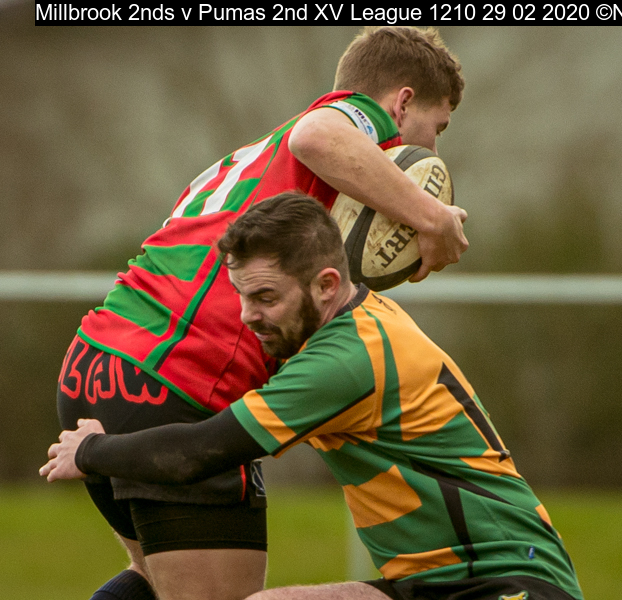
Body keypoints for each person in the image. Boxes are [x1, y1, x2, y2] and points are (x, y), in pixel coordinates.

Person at [55, 26, 468, 600]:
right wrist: (431, 216)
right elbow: (316, 135)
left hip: (98, 363)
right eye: (437, 128)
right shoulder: (356, 117)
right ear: (401, 102)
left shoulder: (256, 162)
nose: (434, 153)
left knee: (155, 581)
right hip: (180, 380)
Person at [43, 193, 584, 600]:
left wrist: (91, 451)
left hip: (508, 579)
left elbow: (200, 452)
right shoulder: (351, 321)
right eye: (242, 296)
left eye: (265, 297)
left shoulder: (342, 363)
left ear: (326, 285)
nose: (248, 315)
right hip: (430, 581)